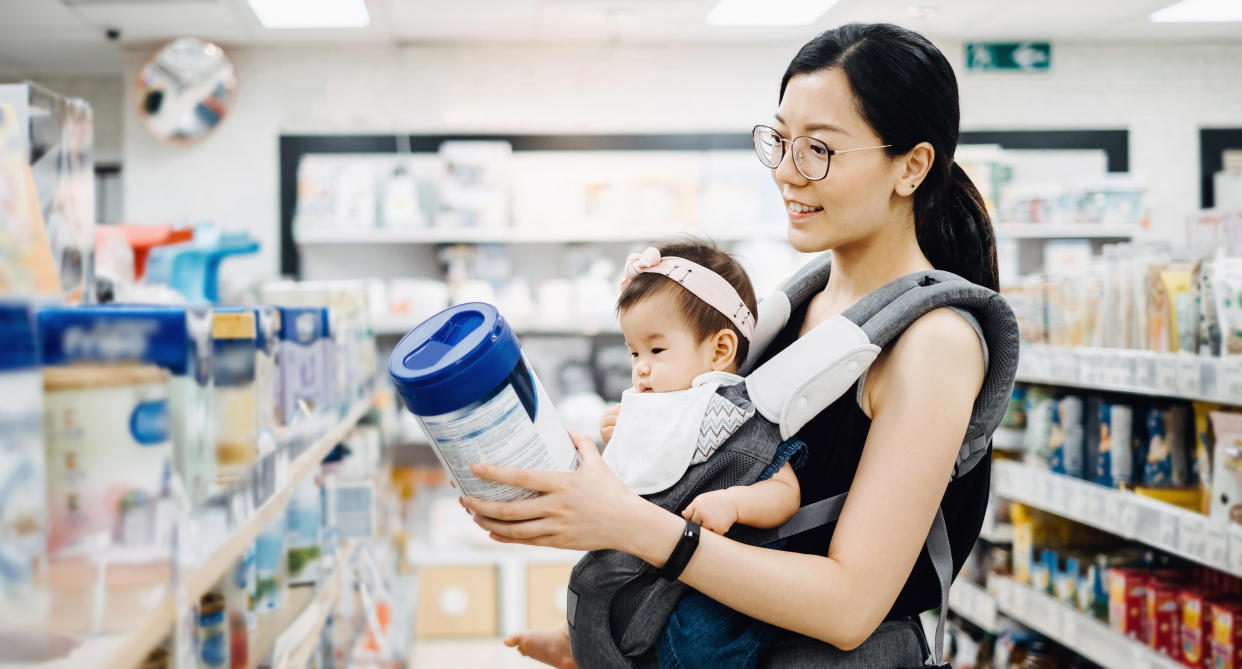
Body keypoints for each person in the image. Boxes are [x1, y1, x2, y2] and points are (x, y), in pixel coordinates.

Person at [470, 21, 1001, 667]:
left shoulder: (933, 342)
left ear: (911, 165)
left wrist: (628, 522)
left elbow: (849, 606)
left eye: (819, 150)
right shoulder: (790, 312)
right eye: (779, 140)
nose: (786, 171)